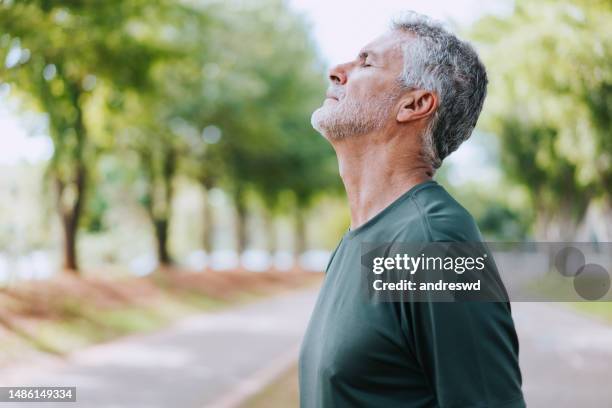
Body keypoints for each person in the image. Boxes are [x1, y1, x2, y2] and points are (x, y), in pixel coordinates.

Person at [298, 11, 525, 408]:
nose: (337, 70)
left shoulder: (435, 243)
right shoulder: (358, 240)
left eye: (366, 62)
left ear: (415, 104)